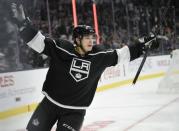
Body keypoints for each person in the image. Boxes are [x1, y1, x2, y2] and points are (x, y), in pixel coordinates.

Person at [11, 3, 159, 131]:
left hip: (74, 113)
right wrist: (23, 23)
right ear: (77, 39)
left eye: (92, 37)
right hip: (49, 105)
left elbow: (123, 54)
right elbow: (38, 42)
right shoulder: (63, 48)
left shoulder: (99, 57)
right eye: (87, 37)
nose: (91, 41)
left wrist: (142, 45)